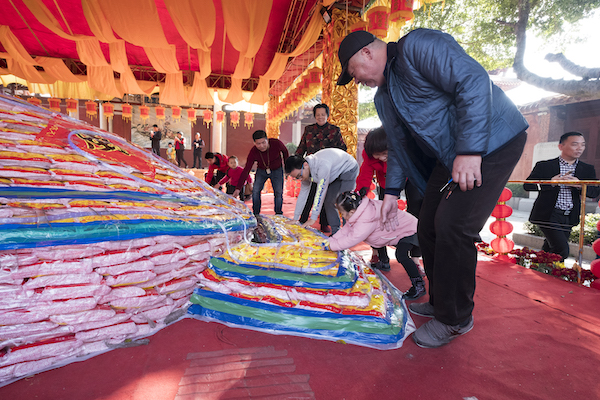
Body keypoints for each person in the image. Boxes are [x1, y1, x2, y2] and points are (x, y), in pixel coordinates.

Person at [337, 29, 529, 348]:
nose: (357, 80)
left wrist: (470, 151)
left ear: (366, 53)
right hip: (451, 154)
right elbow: (398, 147)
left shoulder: (417, 47)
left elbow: (472, 80)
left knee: (453, 225)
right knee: (426, 225)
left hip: (492, 140)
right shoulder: (385, 95)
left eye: (353, 72)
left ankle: (455, 319)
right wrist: (390, 194)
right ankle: (441, 302)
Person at [327, 189, 425, 300]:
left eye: (342, 213)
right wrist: (331, 241)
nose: (342, 216)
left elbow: (352, 238)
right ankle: (384, 262)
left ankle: (418, 285)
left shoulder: (366, 219)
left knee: (401, 255)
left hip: (410, 229)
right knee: (381, 241)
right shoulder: (361, 211)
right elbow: (346, 230)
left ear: (352, 212)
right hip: (398, 230)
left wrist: (331, 246)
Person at [524, 131, 600, 261]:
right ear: (561, 146)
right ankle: (556, 272)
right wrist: (551, 182)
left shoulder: (587, 169)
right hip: (548, 214)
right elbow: (527, 186)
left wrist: (580, 185)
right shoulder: (544, 166)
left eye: (582, 145)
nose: (580, 148)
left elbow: (594, 192)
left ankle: (538, 268)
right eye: (575, 144)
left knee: (550, 249)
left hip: (569, 216)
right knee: (561, 249)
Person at [296, 103, 347, 233]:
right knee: (310, 195)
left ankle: (324, 223)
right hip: (312, 168)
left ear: (327, 115)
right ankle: (302, 220)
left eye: (323, 114)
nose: (320, 117)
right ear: (314, 116)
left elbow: (342, 148)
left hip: (328, 168)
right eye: (318, 114)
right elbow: (302, 147)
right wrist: (297, 162)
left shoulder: (334, 130)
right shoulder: (308, 129)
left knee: (324, 196)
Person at [285, 148, 359, 234]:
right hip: (334, 173)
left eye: (299, 175)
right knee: (328, 201)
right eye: (297, 178)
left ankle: (348, 234)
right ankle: (336, 232)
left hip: (348, 169)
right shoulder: (305, 171)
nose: (300, 179)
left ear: (305, 165)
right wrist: (295, 218)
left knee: (345, 202)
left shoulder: (322, 166)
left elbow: (320, 192)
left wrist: (313, 218)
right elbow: (303, 194)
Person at [233, 130, 289, 216]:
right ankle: (256, 213)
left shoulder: (276, 143)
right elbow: (246, 169)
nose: (261, 146)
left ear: (267, 140)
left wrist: (287, 168)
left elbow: (285, 152)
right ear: (254, 143)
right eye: (258, 144)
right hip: (261, 170)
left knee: (278, 192)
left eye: (263, 142)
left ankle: (278, 213)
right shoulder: (253, 151)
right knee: (255, 190)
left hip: (277, 169)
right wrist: (238, 188)